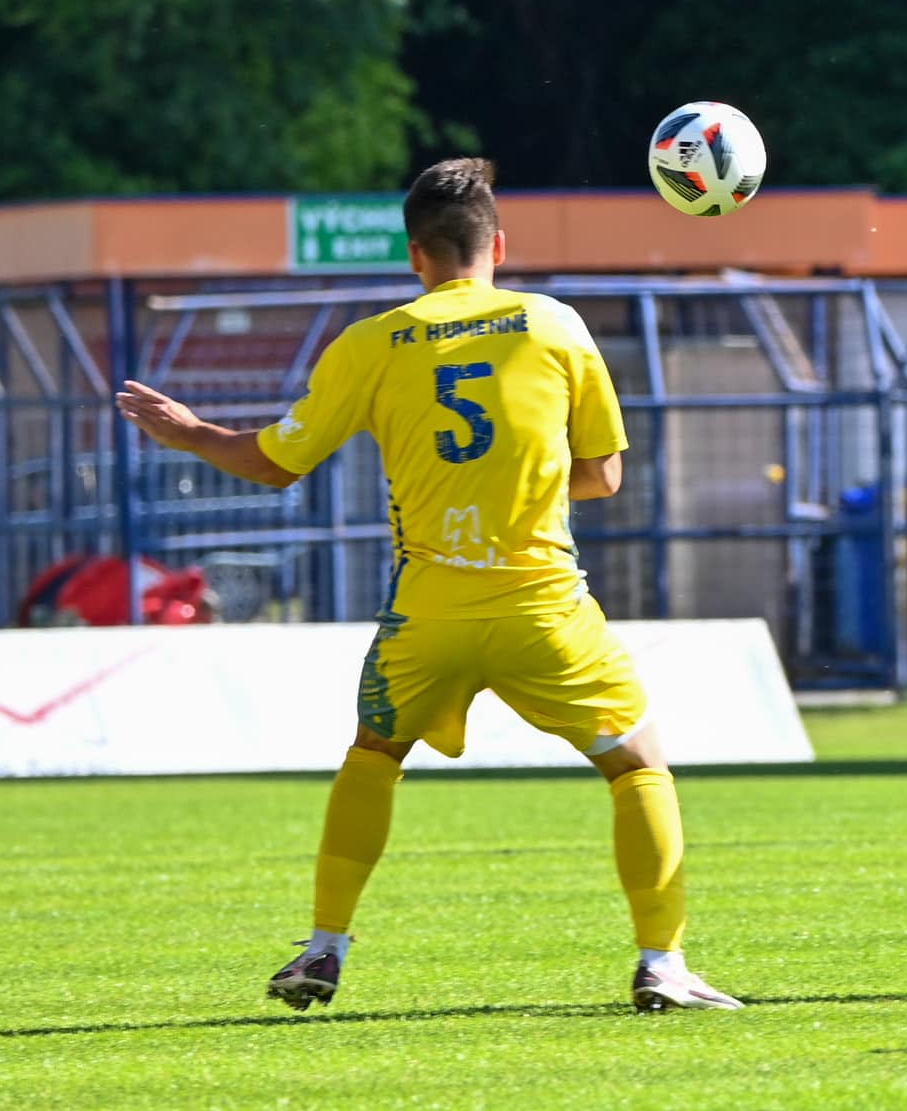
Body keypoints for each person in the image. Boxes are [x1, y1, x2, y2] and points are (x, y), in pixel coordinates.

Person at [114, 158, 741, 1014]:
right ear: (499, 247)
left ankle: (325, 946)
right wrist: (515, 478)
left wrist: (190, 432)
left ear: (415, 254)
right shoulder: (555, 325)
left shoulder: (372, 343)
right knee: (637, 767)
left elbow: (273, 463)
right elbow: (603, 475)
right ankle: (662, 964)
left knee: (374, 756)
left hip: (426, 615)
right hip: (542, 609)